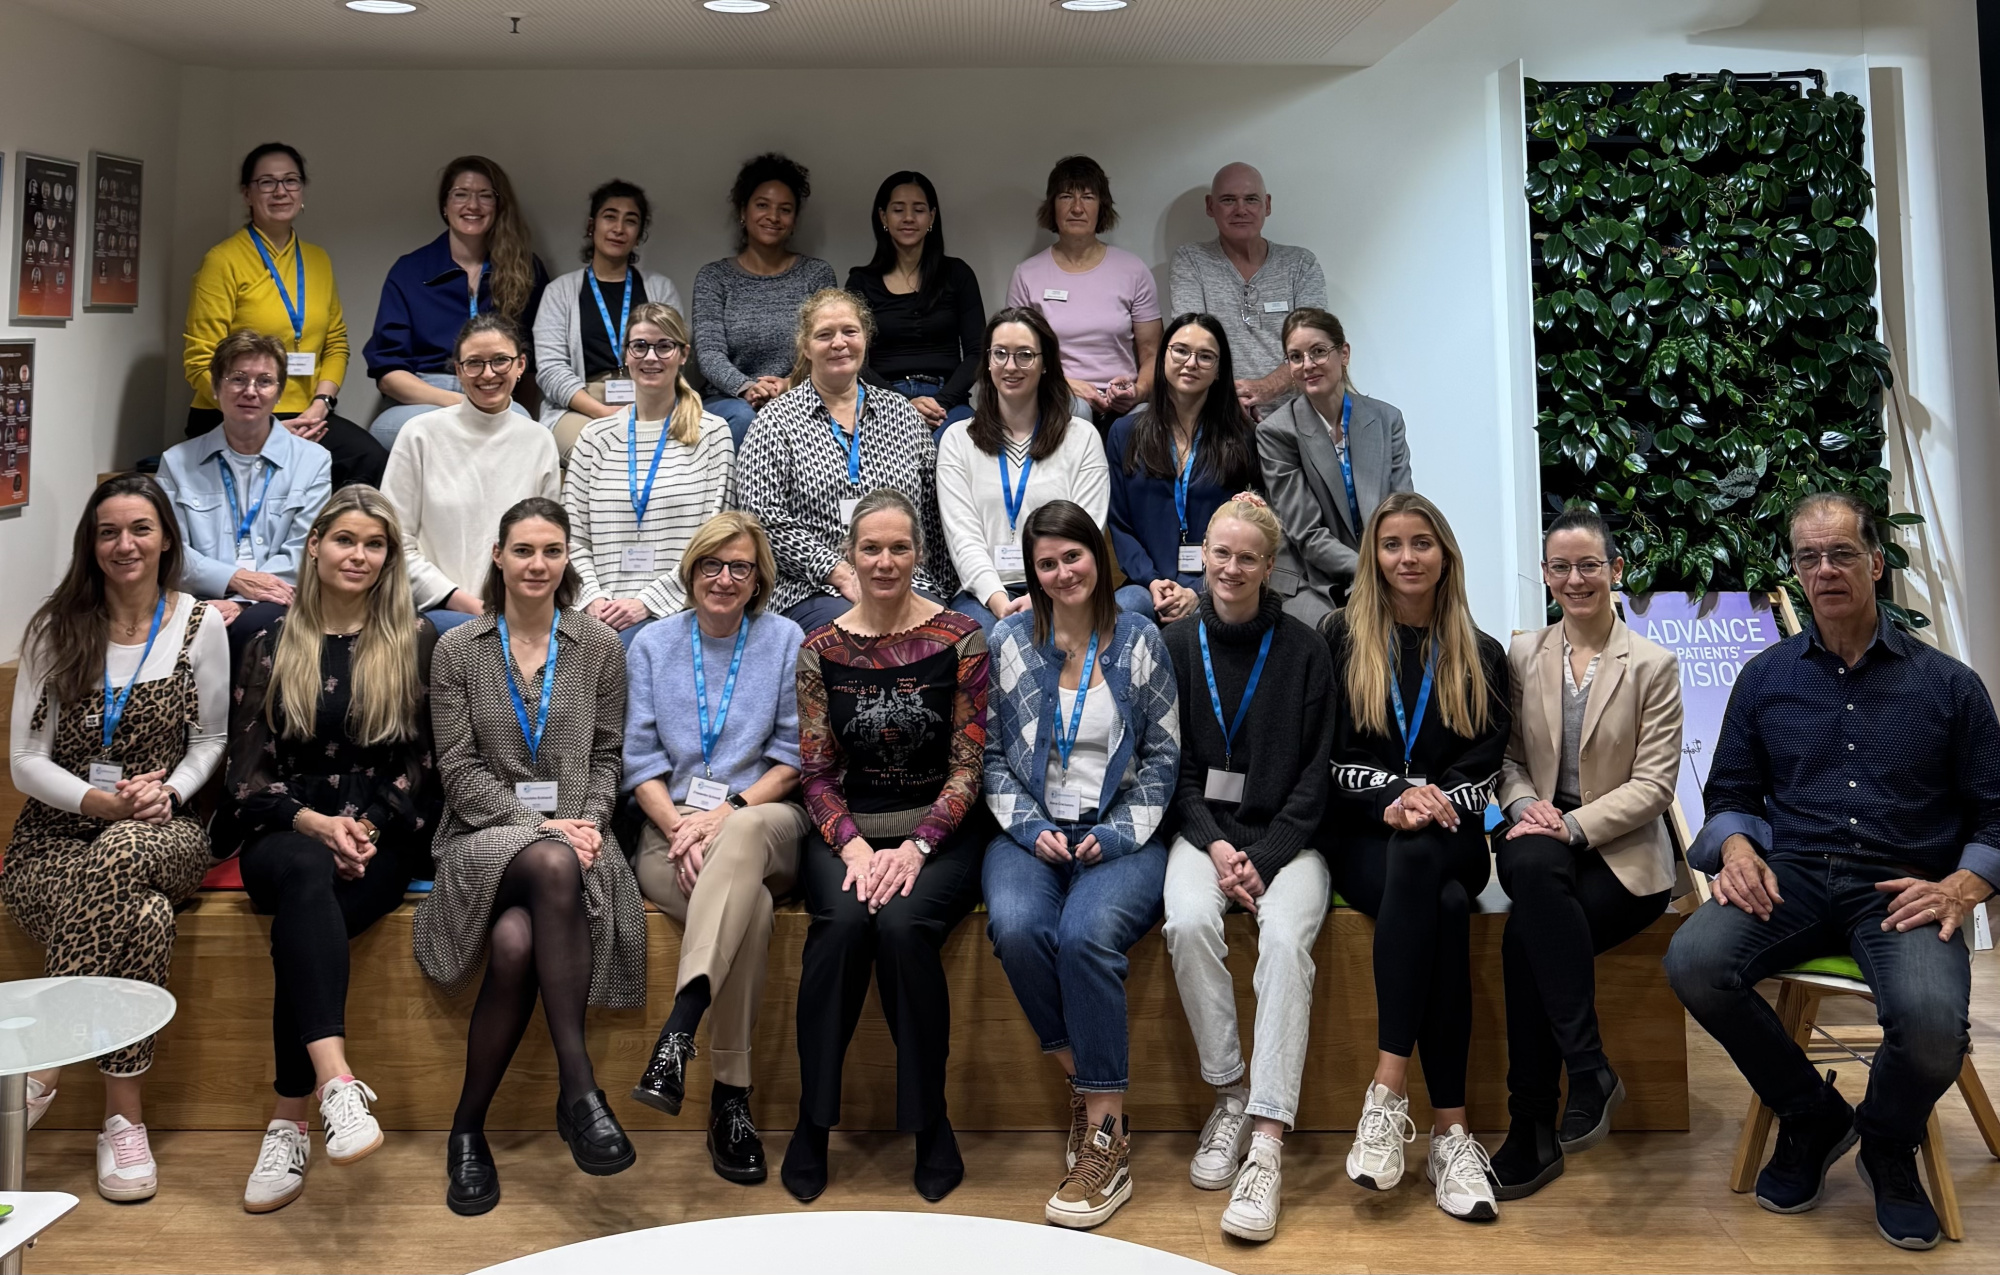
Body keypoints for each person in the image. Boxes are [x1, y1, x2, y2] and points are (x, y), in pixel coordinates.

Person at [1664, 492, 1998, 1252]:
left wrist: (1963, 884)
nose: (1825, 570)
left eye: (1842, 553)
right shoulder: (1764, 678)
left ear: (1876, 563)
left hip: (1904, 887)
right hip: (1794, 877)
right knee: (1694, 960)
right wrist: (1737, 849)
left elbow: (1996, 813)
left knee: (1930, 1030)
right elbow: (1729, 793)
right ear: (1796, 571)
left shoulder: (1949, 686)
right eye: (1809, 557)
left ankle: (1887, 1140)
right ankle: (1811, 1114)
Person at [414, 497, 645, 1215]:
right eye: (523, 550)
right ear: (498, 556)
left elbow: (606, 756)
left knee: (516, 943)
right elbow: (457, 769)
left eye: (551, 550)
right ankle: (579, 1087)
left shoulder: (599, 646)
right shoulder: (459, 648)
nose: (537, 564)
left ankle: (466, 1129)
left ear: (567, 558)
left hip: (581, 841)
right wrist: (542, 827)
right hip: (481, 836)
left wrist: (589, 823)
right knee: (549, 861)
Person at [4, 474, 227, 1202]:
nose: (124, 544)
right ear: (90, 544)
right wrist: (99, 801)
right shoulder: (55, 627)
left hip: (163, 829)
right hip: (53, 839)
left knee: (128, 848)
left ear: (165, 539)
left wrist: (169, 792)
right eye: (108, 532)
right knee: (146, 916)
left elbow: (211, 740)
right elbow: (25, 761)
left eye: (140, 529)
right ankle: (122, 1120)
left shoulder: (200, 624)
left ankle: (40, 1068)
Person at [230, 487, 441, 1214]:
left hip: (382, 837)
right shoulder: (269, 638)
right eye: (345, 540)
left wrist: (367, 830)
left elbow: (424, 767)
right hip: (285, 833)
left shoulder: (416, 639)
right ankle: (338, 1085)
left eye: (374, 544)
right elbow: (245, 778)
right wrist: (317, 824)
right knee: (304, 871)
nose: (359, 555)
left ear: (390, 557)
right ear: (315, 544)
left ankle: (290, 1119)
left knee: (303, 921)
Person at [780, 490, 991, 1206]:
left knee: (901, 928)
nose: (885, 560)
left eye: (899, 547)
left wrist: (916, 848)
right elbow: (815, 773)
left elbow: (968, 766)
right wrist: (853, 849)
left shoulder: (961, 637)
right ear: (851, 554)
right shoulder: (819, 648)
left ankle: (930, 1121)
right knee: (840, 927)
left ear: (919, 554)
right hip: (848, 831)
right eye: (871, 547)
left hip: (941, 830)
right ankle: (813, 1120)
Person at [981, 499, 1180, 1231]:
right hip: (1031, 833)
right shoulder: (1009, 640)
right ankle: (1087, 1083)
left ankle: (1106, 1138)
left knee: (1085, 934)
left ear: (1098, 555)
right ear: (1031, 573)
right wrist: (1030, 827)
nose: (1063, 572)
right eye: (1047, 563)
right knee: (1017, 924)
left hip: (1121, 834)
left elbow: (1164, 757)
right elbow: (991, 757)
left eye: (1074, 555)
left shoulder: (1140, 639)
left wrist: (1120, 833)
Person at [1323, 491, 1509, 1223]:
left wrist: (1428, 802)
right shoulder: (1340, 639)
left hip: (1453, 834)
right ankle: (1451, 1133)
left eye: (1421, 543)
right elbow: (1329, 759)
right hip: (1368, 838)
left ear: (1446, 556)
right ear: (1373, 556)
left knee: (1427, 850)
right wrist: (1394, 797)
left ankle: (1387, 1090)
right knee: (1447, 905)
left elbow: (1486, 767)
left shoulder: (1481, 653)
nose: (1407, 557)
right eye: (1392, 544)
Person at [1489, 506, 1680, 1201]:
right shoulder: (1521, 655)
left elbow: (1654, 786)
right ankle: (1588, 1067)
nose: (1576, 579)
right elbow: (1506, 759)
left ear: (1615, 570)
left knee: (1525, 942)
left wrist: (1570, 825)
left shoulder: (1653, 665)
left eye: (1589, 565)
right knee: (1532, 864)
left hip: (1622, 857)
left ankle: (1532, 1128)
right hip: (1535, 834)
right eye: (1561, 567)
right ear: (1545, 575)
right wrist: (1527, 808)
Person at [1159, 496, 1333, 1244]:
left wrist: (1261, 856)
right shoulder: (1174, 643)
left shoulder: (1306, 649)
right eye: (1220, 554)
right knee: (1188, 919)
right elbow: (1169, 766)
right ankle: (1229, 1091)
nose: (1231, 569)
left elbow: (1317, 776)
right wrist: (1216, 847)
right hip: (1205, 837)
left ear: (1271, 566)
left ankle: (1266, 1140)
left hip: (1289, 844)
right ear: (1203, 557)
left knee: (1286, 942)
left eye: (1247, 557)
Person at [625, 512, 807, 1186]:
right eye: (711, 564)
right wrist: (681, 826)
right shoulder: (651, 644)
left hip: (763, 817)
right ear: (691, 570)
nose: (724, 578)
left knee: (745, 839)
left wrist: (724, 814)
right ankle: (731, 1098)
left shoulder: (785, 639)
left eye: (739, 567)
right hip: (670, 832)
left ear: (758, 579)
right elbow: (640, 760)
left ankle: (682, 1023)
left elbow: (791, 759)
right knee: (748, 908)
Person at [735, 288, 954, 634]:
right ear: (806, 347)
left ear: (865, 338)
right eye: (825, 335)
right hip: (811, 588)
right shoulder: (775, 421)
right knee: (854, 635)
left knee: (940, 633)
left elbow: (931, 515)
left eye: (850, 331)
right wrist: (835, 570)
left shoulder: (902, 414)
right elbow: (761, 518)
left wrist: (941, 591)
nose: (839, 343)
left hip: (903, 578)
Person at [182, 142, 389, 490]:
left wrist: (321, 403)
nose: (280, 191)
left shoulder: (317, 260)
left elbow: (336, 344)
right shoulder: (222, 261)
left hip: (307, 413)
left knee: (368, 459)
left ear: (301, 190)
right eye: (267, 182)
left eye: (290, 181)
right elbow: (199, 360)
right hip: (231, 414)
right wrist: (262, 425)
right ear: (247, 194)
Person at [561, 302, 733, 648]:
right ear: (625, 354)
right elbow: (571, 537)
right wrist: (593, 599)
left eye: (664, 346)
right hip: (598, 616)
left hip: (677, 613)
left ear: (683, 354)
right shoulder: (595, 438)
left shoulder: (712, 434)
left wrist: (647, 604)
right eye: (639, 346)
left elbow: (714, 542)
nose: (651, 357)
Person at [155, 330, 331, 656]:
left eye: (264, 381)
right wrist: (235, 579)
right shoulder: (176, 462)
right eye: (237, 379)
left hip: (280, 599)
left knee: (256, 626)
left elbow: (304, 550)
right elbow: (171, 551)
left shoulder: (313, 461)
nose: (250, 391)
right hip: (199, 596)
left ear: (279, 392)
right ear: (215, 387)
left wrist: (242, 602)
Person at [381, 314, 559, 633]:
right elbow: (395, 542)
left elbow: (547, 543)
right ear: (459, 370)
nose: (488, 374)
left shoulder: (540, 440)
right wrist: (463, 603)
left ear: (520, 365)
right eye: (474, 363)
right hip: (434, 613)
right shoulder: (419, 434)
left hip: (517, 612)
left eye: (500, 360)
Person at [935, 306, 1108, 633]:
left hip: (1065, 585)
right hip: (985, 593)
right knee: (981, 637)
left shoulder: (1082, 438)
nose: (1011, 366)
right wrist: (998, 599)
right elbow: (962, 536)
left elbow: (1086, 530)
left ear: (1045, 363)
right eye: (1000, 353)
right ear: (987, 361)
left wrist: (1041, 596)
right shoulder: (958, 440)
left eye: (1025, 355)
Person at [364, 156, 547, 449]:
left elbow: (532, 365)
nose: (472, 205)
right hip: (424, 398)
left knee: (521, 427)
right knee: (387, 430)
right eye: (461, 194)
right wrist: (461, 403)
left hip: (495, 392)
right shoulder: (409, 271)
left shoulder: (525, 269)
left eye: (485, 195)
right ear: (445, 205)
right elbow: (388, 374)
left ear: (498, 205)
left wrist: (494, 401)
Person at [1259, 307, 1412, 625]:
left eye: (1318, 351)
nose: (1307, 365)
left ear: (1343, 354)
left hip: (1383, 569)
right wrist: (1372, 570)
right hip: (1311, 579)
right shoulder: (1276, 432)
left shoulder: (1387, 420)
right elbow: (1307, 534)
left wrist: (1390, 565)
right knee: (1347, 633)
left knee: (1445, 622)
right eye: (1296, 357)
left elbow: (1402, 512)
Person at [1106, 313, 1261, 624]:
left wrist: (1199, 589)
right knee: (1127, 608)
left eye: (1205, 356)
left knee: (1215, 613)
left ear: (1219, 370)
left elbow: (1251, 525)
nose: (1191, 363)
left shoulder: (1242, 438)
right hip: (1145, 584)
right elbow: (1119, 525)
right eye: (1181, 351)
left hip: (1218, 582)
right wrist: (1152, 581)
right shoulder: (1124, 433)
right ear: (1163, 356)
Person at [533, 179, 684, 462]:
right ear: (592, 226)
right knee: (602, 449)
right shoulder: (559, 292)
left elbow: (672, 358)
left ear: (639, 234)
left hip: (649, 398)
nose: (619, 228)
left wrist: (641, 409)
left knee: (672, 450)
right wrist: (603, 413)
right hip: (579, 406)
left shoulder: (660, 289)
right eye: (610, 217)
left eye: (631, 221)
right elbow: (551, 370)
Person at [692, 154, 837, 448]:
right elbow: (709, 354)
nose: (773, 216)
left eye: (785, 209)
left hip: (802, 395)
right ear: (743, 212)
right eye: (762, 205)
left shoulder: (816, 275)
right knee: (745, 418)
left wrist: (790, 385)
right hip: (729, 400)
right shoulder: (714, 277)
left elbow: (829, 347)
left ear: (794, 221)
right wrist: (747, 387)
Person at [1007, 156, 1162, 425]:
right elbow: (1017, 354)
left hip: (1123, 402)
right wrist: (1064, 384)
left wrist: (1137, 392)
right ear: (1052, 206)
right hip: (1058, 398)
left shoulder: (1133, 270)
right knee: (1077, 412)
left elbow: (1152, 352)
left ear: (1101, 207)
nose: (1077, 208)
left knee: (1141, 424)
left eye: (1088, 198)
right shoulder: (1027, 274)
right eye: (1066, 197)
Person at [1168, 163, 1327, 416]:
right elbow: (1192, 343)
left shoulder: (1300, 264)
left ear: (1267, 205)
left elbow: (1315, 345)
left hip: (1297, 414)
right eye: (1228, 200)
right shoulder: (1191, 261)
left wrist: (1267, 387)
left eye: (1251, 199)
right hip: (1218, 413)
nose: (1240, 209)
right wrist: (1229, 402)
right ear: (1210, 206)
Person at [845, 171, 984, 436]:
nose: (908, 218)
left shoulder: (958, 274)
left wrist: (940, 403)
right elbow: (854, 358)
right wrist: (905, 404)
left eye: (918, 210)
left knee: (960, 443)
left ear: (931, 217)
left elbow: (977, 353)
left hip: (948, 402)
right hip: (882, 399)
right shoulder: (861, 282)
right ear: (883, 217)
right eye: (898, 210)